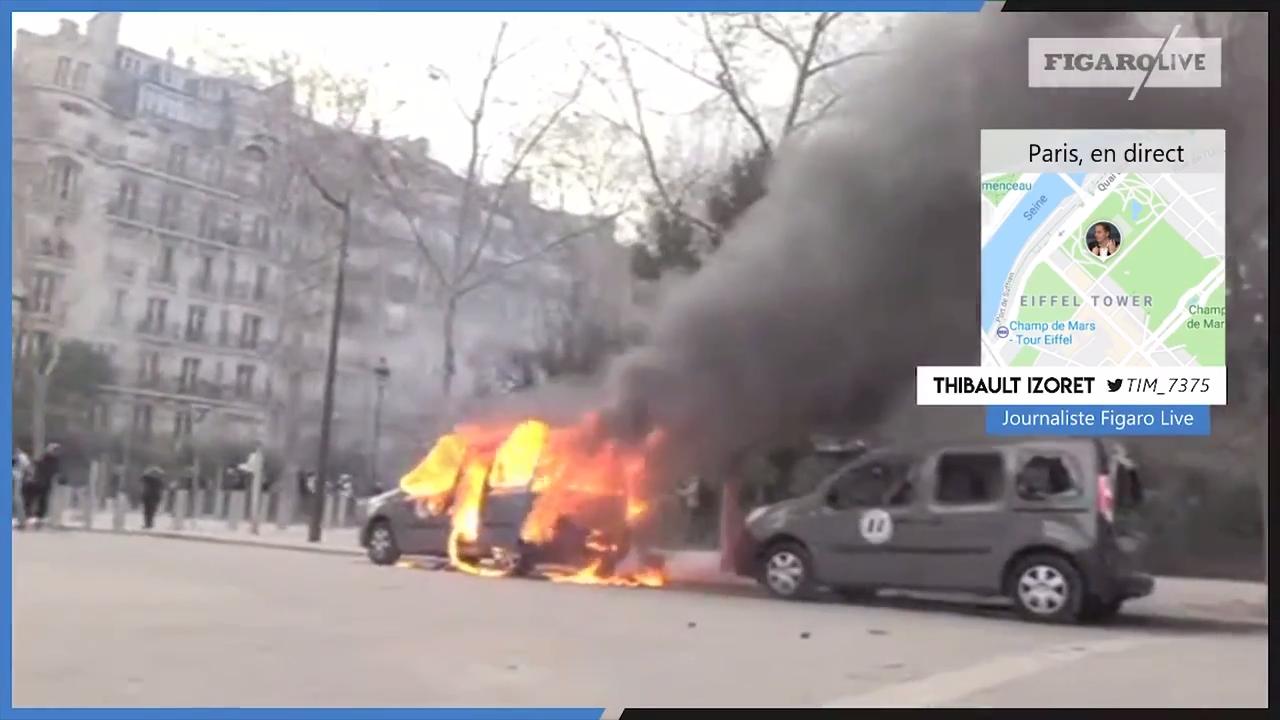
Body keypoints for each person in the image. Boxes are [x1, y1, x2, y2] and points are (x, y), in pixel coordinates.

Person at [22, 443, 61, 529]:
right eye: (55, 450)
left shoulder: (52, 460)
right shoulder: (46, 459)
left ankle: (35, 521)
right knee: (35, 503)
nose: (56, 452)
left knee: (40, 504)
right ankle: (32, 520)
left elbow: (53, 473)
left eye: (57, 450)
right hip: (39, 484)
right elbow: (37, 469)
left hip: (43, 484)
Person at [140, 465, 166, 529]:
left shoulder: (148, 478)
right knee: (151, 511)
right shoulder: (159, 480)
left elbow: (142, 477)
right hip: (155, 497)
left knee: (147, 511)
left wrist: (148, 471)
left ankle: (148, 524)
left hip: (148, 496)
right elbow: (162, 486)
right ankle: (149, 524)